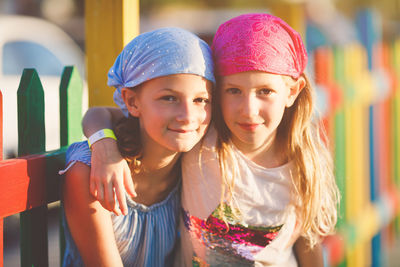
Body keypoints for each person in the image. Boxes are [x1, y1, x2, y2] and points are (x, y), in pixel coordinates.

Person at [83, 13, 340, 266]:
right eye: (234, 91)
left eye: (265, 91)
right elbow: (100, 114)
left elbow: (309, 243)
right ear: (217, 94)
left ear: (292, 92)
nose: (248, 109)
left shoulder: (305, 160)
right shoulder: (204, 134)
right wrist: (104, 146)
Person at [59, 27, 215, 266]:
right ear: (132, 101)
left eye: (200, 100)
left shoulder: (197, 161)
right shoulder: (90, 171)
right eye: (169, 98)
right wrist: (104, 145)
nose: (187, 115)